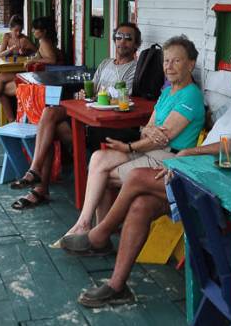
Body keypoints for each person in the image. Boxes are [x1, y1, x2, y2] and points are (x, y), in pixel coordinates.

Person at [62, 44, 231, 308]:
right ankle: (117, 286)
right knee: (140, 205)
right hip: (198, 175)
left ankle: (99, 235)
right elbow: (208, 118)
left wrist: (188, 152)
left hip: (225, 188)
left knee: (136, 178)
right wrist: (171, 128)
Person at [61, 35, 205, 237]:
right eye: (166, 60)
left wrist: (129, 147)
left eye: (176, 61)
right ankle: (85, 223)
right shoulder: (167, 92)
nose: (169, 66)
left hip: (168, 158)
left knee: (103, 176)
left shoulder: (191, 94)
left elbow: (164, 138)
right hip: (150, 150)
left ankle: (98, 231)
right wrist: (148, 131)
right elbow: (148, 129)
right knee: (98, 158)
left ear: (190, 64)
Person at [9, 22, 142, 211]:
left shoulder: (134, 69)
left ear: (136, 44)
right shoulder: (106, 63)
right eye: (119, 37)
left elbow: (122, 98)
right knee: (49, 113)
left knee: (52, 129)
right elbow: (93, 90)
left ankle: (40, 187)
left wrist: (94, 97)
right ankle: (35, 170)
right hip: (87, 112)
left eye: (128, 38)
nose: (122, 42)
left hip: (104, 123)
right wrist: (84, 94)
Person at [0, 16, 59, 121]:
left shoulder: (44, 42)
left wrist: (34, 60)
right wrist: (31, 56)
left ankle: (2, 115)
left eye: (35, 29)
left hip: (38, 81)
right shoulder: (43, 41)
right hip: (35, 77)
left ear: (43, 31)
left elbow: (52, 60)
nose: (32, 31)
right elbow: (40, 55)